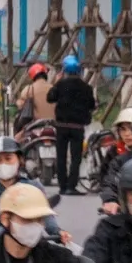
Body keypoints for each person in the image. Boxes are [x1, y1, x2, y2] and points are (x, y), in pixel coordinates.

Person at [47, 54, 95, 195]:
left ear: (65, 70)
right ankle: (71, 187)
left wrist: (56, 82)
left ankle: (62, 186)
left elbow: (50, 98)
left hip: (61, 126)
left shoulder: (61, 85)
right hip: (77, 128)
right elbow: (92, 105)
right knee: (76, 158)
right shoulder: (86, 88)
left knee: (61, 156)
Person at [13, 60, 56, 129]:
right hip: (53, 124)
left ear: (32, 76)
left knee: (18, 137)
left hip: (36, 124)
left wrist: (18, 103)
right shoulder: (53, 88)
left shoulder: (29, 89)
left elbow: (20, 105)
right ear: (45, 74)